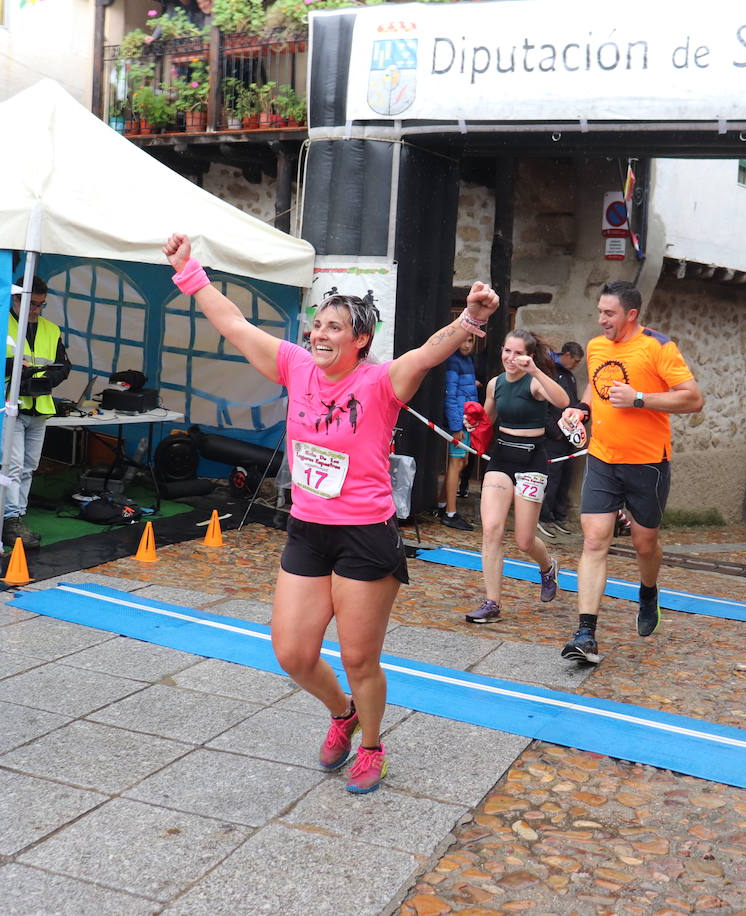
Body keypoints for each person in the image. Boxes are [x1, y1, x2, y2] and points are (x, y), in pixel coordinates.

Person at [163, 232, 500, 793]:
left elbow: (428, 351)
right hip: (309, 530)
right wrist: (187, 270)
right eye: (317, 324)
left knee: (359, 657)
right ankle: (341, 714)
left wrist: (468, 319)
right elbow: (234, 324)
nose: (319, 334)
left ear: (360, 340)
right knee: (292, 651)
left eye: (334, 327)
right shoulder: (296, 366)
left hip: (366, 535)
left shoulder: (381, 381)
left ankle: (371, 745)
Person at [558, 281, 704, 663]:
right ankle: (586, 634)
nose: (601, 319)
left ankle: (649, 591)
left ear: (631, 314)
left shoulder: (658, 347)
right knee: (594, 541)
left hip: (648, 463)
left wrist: (640, 399)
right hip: (603, 458)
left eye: (609, 313)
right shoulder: (594, 346)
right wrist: (582, 408)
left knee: (644, 544)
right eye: (599, 312)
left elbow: (693, 398)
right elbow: (596, 385)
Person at [467, 329, 570, 624]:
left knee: (524, 540)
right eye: (506, 351)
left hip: (532, 459)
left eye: (518, 353)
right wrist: (472, 423)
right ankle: (492, 603)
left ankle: (548, 566)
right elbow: (485, 422)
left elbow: (562, 401)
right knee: (492, 529)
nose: (510, 358)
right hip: (502, 457)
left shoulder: (535, 383)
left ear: (529, 355)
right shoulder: (495, 384)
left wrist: (535, 370)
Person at [2, 276, 70, 547]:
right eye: (31, 304)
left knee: (29, 467)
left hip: (39, 405)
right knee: (14, 466)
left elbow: (64, 366)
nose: (35, 310)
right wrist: (18, 367)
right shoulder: (0, 324)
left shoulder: (51, 330)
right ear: (15, 299)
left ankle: (19, 516)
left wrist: (44, 378)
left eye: (41, 305)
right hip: (10, 405)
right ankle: (10, 520)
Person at [538, 341, 583, 539]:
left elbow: (571, 402)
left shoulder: (570, 377)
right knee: (551, 477)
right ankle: (543, 517)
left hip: (568, 437)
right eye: (575, 361)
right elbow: (544, 407)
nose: (576, 365)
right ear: (565, 355)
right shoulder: (550, 373)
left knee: (564, 477)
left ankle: (558, 515)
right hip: (553, 437)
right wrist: (553, 430)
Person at [439, 333, 478, 530]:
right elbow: (450, 396)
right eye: (463, 339)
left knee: (462, 462)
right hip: (459, 422)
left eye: (470, 340)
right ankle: (450, 514)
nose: (466, 344)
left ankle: (442, 504)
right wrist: (455, 427)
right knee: (456, 463)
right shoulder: (453, 361)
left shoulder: (468, 360)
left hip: (467, 420)